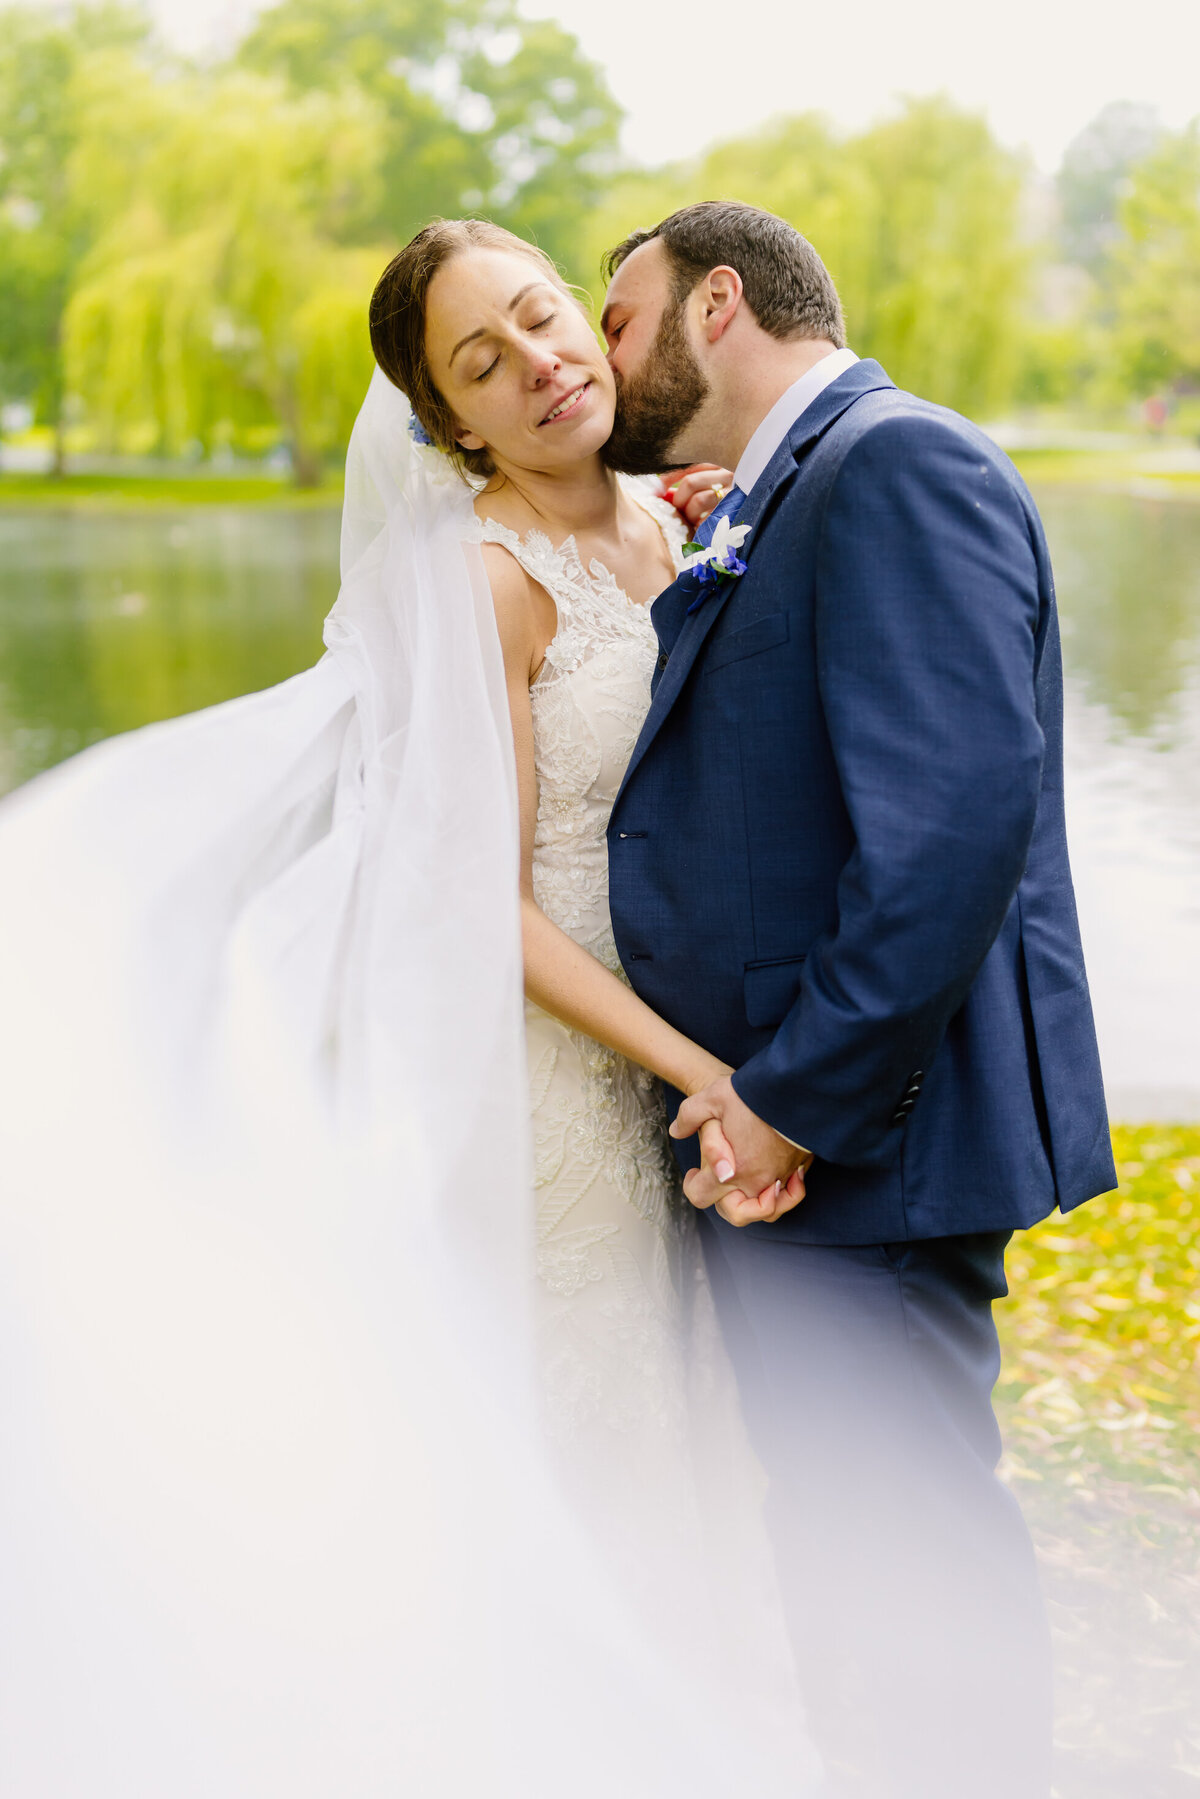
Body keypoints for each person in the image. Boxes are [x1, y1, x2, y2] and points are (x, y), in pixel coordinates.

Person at [0, 219, 818, 1796]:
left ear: (590, 311)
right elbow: (480, 905)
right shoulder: (481, 583)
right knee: (607, 1451)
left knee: (713, 1464)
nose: (537, 367)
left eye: (537, 318)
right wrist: (704, 1072)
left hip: (693, 1072)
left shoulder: (681, 514)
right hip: (576, 1089)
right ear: (454, 428)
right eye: (482, 366)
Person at [599, 200, 1117, 1799]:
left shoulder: (898, 465)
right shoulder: (796, 490)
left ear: (719, 306)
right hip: (823, 1138)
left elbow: (950, 835)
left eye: (619, 320)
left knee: (901, 1554)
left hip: (865, 1137)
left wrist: (783, 1101)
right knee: (843, 1540)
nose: (598, 362)